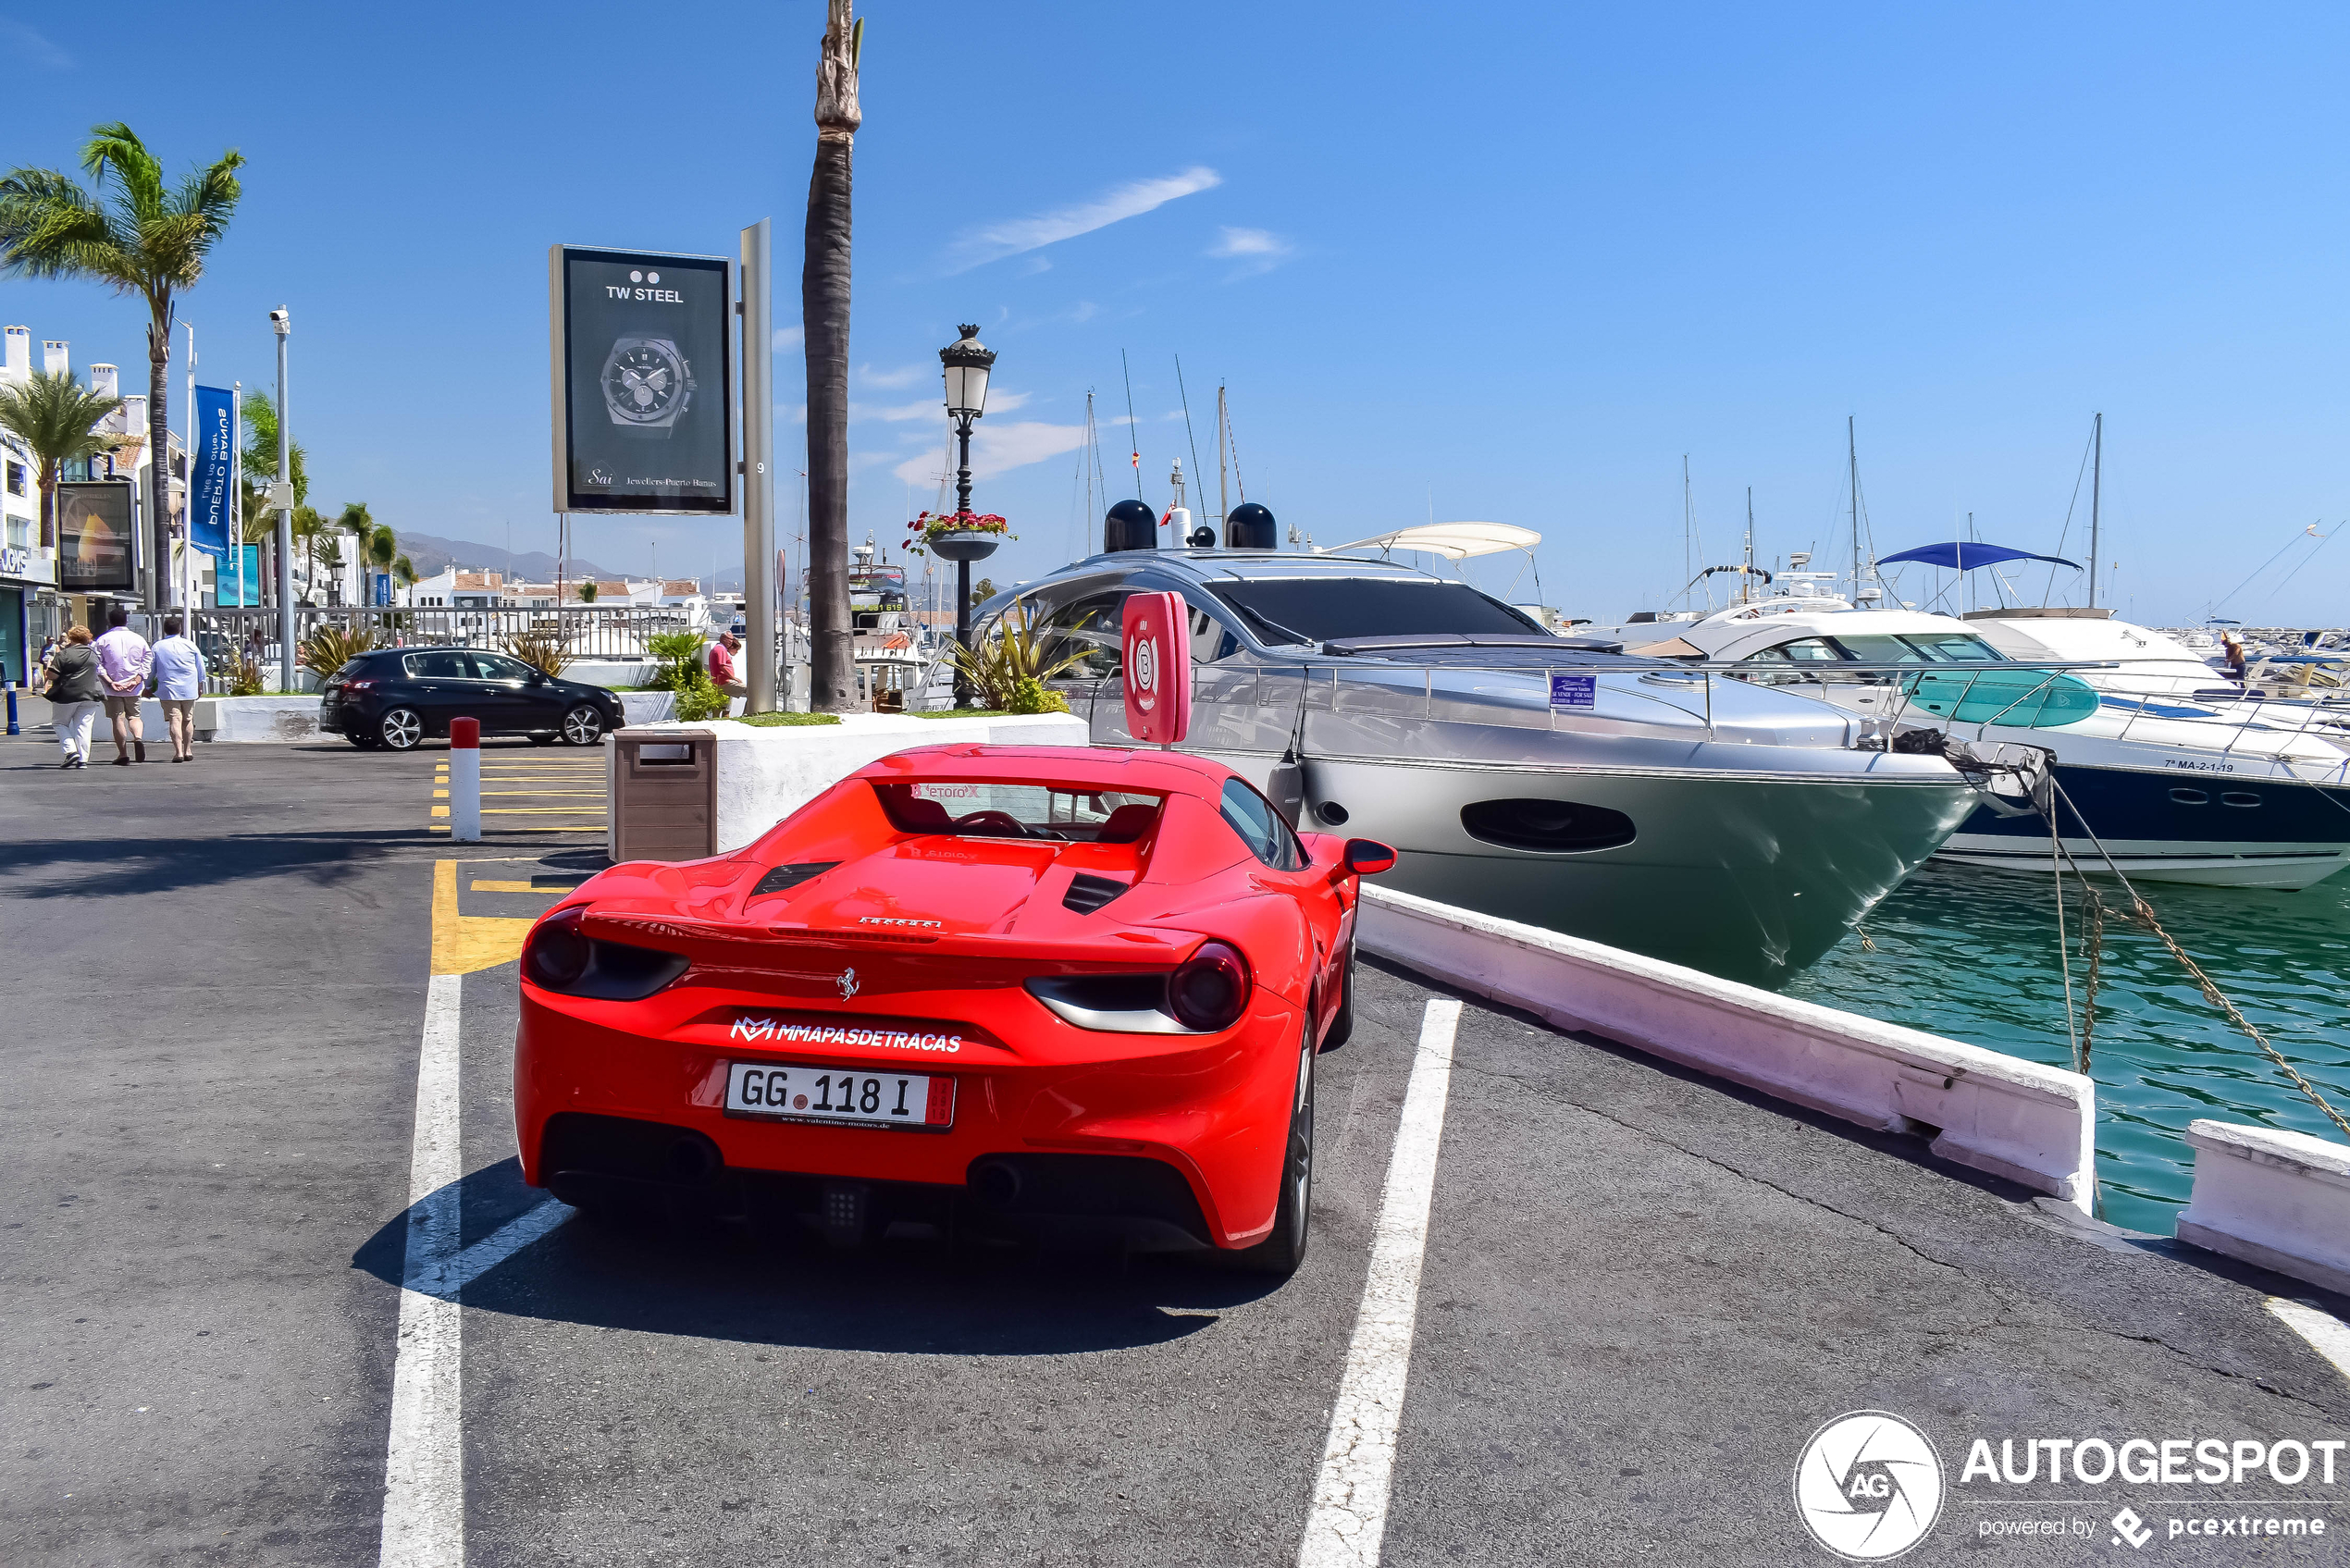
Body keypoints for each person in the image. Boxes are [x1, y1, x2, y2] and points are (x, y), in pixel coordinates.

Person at [93, 605, 153, 765]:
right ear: (126, 621)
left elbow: (97, 664)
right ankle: (138, 738)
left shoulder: (102, 640)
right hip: (133, 686)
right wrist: (138, 678)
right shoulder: (139, 639)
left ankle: (123, 753)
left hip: (113, 687)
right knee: (135, 716)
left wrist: (109, 681)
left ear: (109, 622)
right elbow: (147, 659)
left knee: (118, 719)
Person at [42, 625, 105, 769]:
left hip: (67, 695)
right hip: (90, 694)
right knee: (84, 727)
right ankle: (83, 760)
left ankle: (70, 750)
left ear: (71, 638)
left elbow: (52, 675)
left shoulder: (64, 654)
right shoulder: (93, 654)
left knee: (59, 723)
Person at [151, 613, 204, 762]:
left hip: (168, 688)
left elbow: (151, 669)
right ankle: (188, 750)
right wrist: (200, 684)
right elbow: (200, 667)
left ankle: (178, 752)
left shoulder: (157, 646)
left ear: (165, 630)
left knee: (174, 719)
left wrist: (148, 685)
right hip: (189, 687)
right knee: (188, 719)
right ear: (180, 629)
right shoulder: (190, 645)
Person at [707, 631, 748, 708]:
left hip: (719, 682)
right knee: (750, 691)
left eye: (732, 639)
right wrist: (734, 678)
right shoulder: (720, 649)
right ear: (723, 639)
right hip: (724, 682)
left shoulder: (719, 648)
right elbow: (722, 665)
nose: (731, 641)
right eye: (729, 639)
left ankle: (717, 719)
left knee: (722, 709)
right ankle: (747, 714)